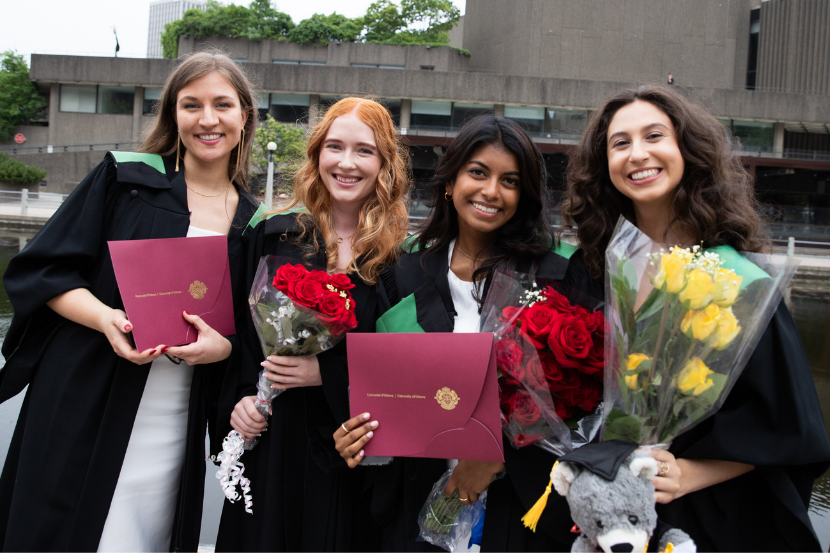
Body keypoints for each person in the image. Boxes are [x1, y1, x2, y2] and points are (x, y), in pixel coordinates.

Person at [0, 51, 259, 552]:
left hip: (173, 411)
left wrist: (221, 351)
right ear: (172, 114)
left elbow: (247, 337)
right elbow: (44, 270)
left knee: (143, 532)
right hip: (84, 389)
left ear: (244, 115)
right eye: (191, 105)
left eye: (223, 104)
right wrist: (105, 319)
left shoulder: (256, 221)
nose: (208, 119)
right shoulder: (127, 180)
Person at [560, 84, 830, 551]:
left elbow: (788, 424)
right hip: (603, 509)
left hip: (706, 514)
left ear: (686, 149)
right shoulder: (589, 269)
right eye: (620, 143)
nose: (637, 154)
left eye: (654, 136)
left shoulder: (734, 278)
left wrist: (687, 474)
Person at [334, 114, 591, 551]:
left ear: (524, 196)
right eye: (478, 172)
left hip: (518, 510)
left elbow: (580, 407)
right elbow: (379, 391)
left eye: (509, 180)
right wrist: (360, 438)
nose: (491, 191)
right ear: (450, 182)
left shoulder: (558, 275)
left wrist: (493, 458)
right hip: (418, 500)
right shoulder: (402, 272)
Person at [215, 97, 410, 551]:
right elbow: (240, 337)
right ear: (317, 153)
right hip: (273, 440)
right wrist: (243, 399)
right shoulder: (273, 233)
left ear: (384, 163)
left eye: (364, 151)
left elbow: (403, 364)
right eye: (334, 147)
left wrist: (327, 373)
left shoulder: (400, 258)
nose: (346, 163)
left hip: (344, 450)